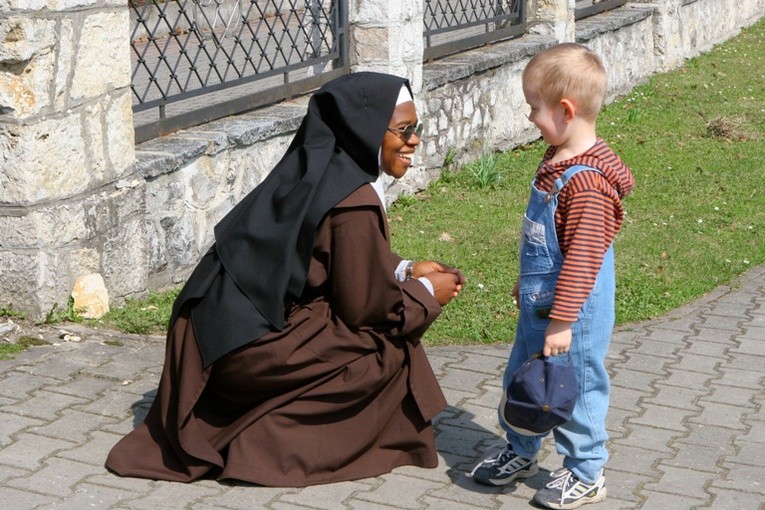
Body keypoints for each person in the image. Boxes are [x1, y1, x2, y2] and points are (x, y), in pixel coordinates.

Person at [105, 72, 464, 487]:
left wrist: (404, 269)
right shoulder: (355, 201)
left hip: (214, 346)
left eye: (416, 128)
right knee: (386, 346)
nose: (415, 139)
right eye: (404, 130)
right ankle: (266, 445)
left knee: (358, 323)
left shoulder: (313, 169)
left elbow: (333, 259)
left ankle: (253, 419)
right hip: (247, 354)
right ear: (365, 129)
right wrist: (425, 293)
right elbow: (369, 312)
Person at [470, 43, 634, 509]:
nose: (529, 118)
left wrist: (562, 319)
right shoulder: (557, 157)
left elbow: (581, 259)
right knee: (524, 380)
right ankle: (520, 451)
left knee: (575, 390)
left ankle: (586, 471)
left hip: (573, 317)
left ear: (566, 110)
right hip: (542, 304)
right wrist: (529, 283)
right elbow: (546, 245)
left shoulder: (586, 185)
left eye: (533, 108)